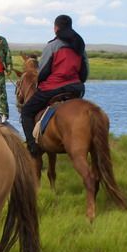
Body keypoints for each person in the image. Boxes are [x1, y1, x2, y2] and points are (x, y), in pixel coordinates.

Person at [21, 15, 89, 154]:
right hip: (76, 88)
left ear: (56, 28)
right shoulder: (80, 46)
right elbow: (85, 73)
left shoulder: (52, 46)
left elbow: (42, 71)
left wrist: (39, 85)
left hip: (53, 88)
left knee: (26, 111)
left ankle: (33, 148)